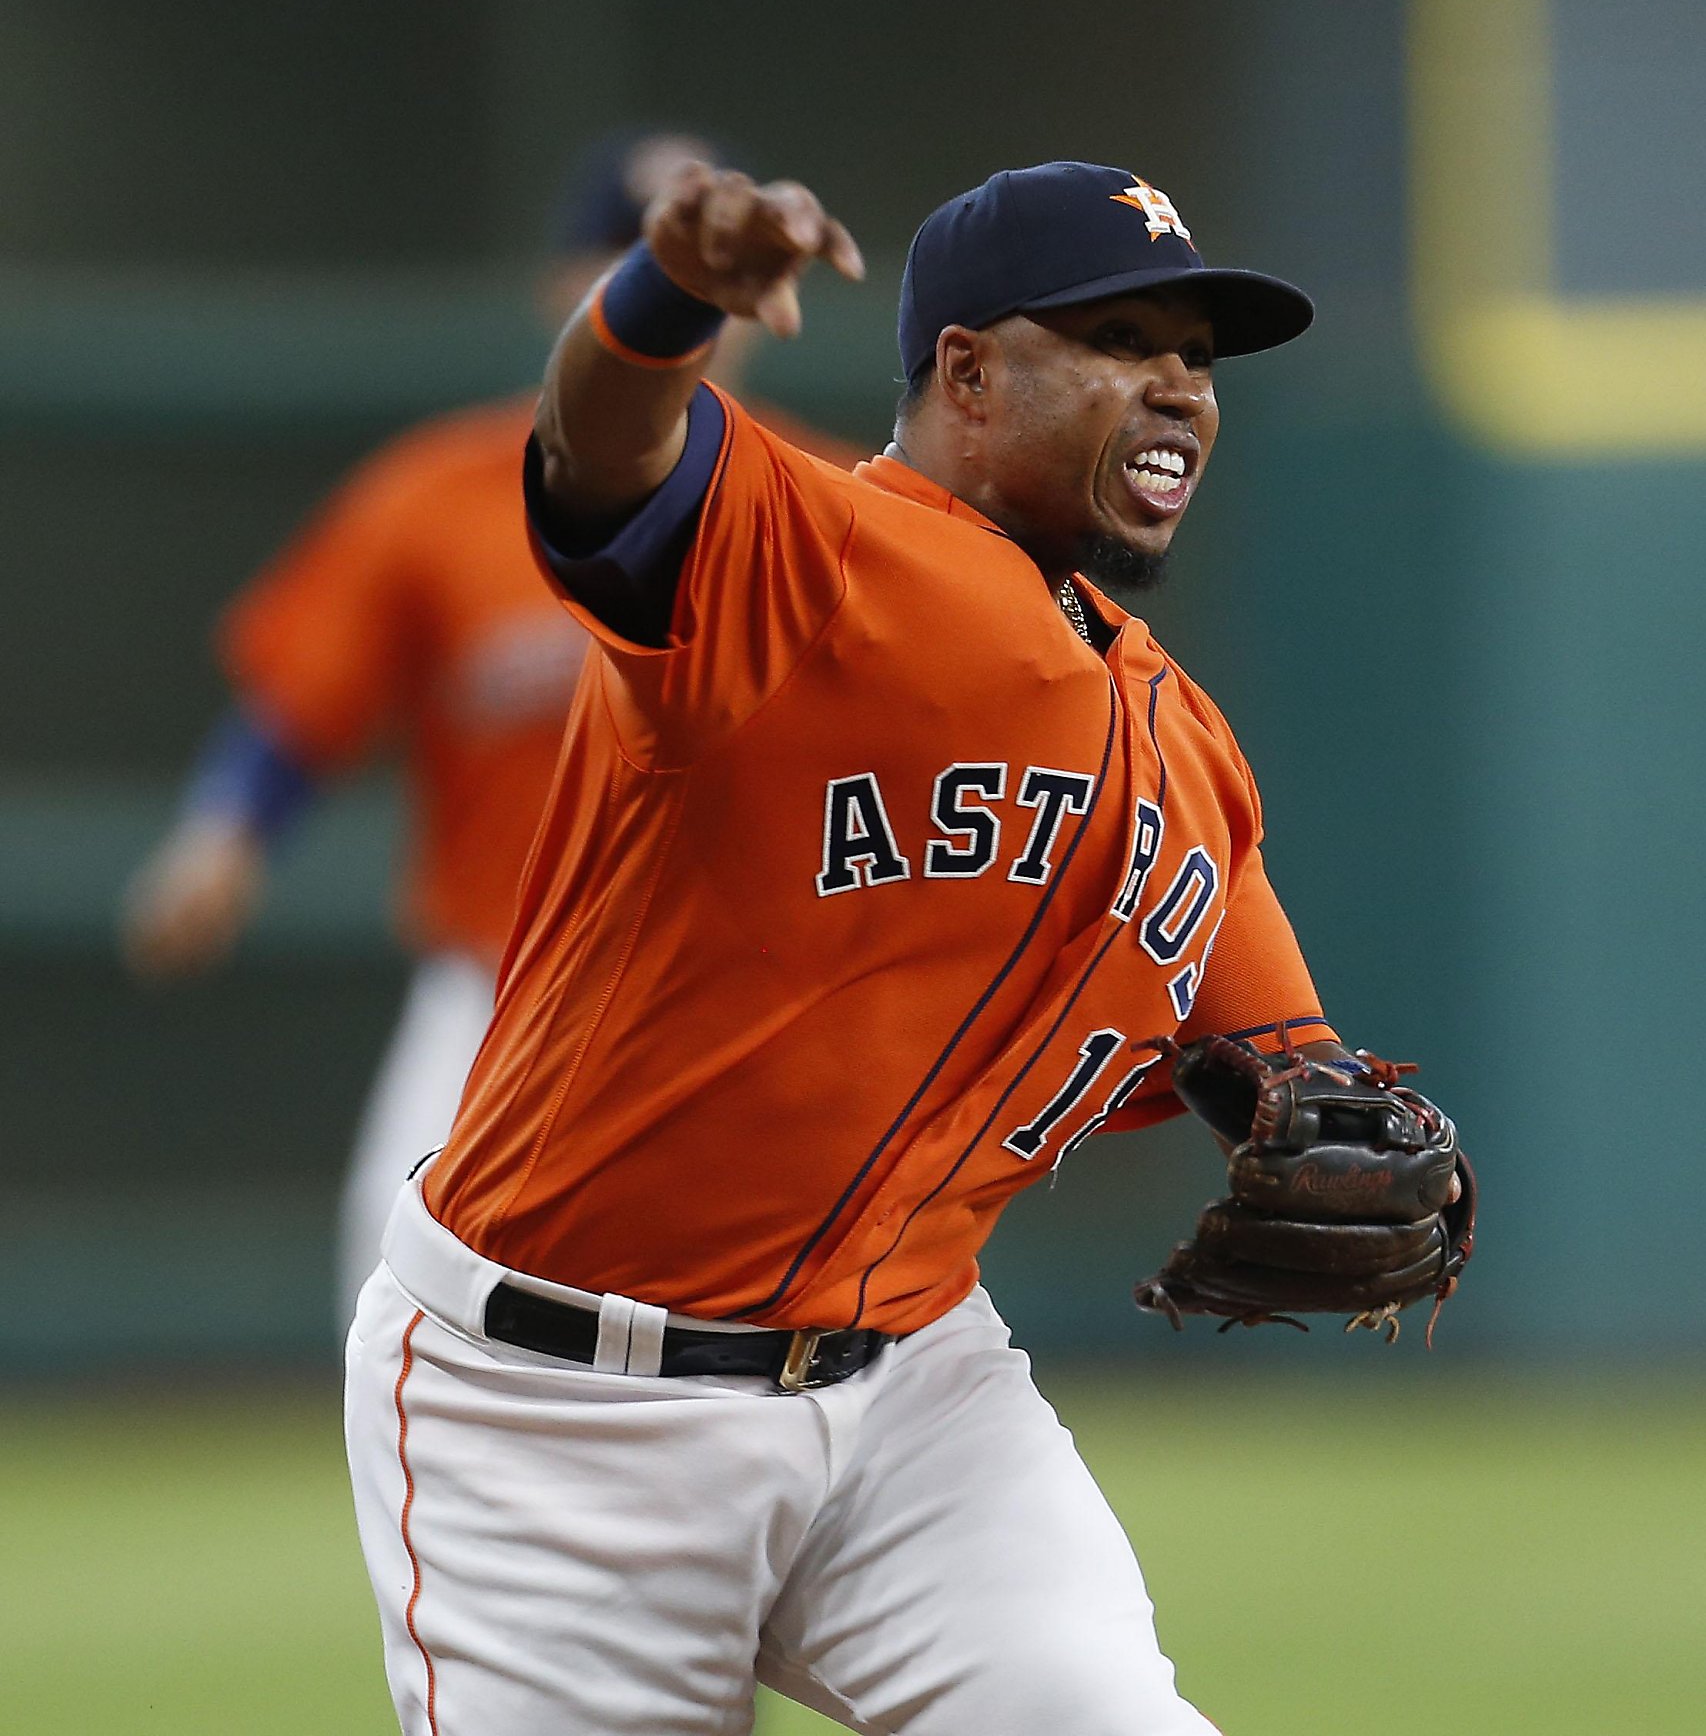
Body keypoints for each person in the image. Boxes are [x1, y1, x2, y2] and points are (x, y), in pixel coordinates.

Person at [343, 158, 1339, 1734]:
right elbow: (598, 447)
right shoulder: (798, 550)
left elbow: (1287, 1065)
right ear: (966, 370)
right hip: (555, 1414)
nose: (1174, 387)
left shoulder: (1183, 744)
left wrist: (1332, 1121)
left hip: (912, 1399)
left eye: (1197, 357)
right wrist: (663, 297)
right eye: (1120, 337)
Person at [120, 133, 861, 1321]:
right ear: (564, 292)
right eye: (626, 261)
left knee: (778, 1312)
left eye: (692, 264)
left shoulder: (840, 513)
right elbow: (302, 703)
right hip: (498, 988)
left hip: (747, 997)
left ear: (761, 300)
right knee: (392, 1267)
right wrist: (223, 832)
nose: (667, 291)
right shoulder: (438, 495)